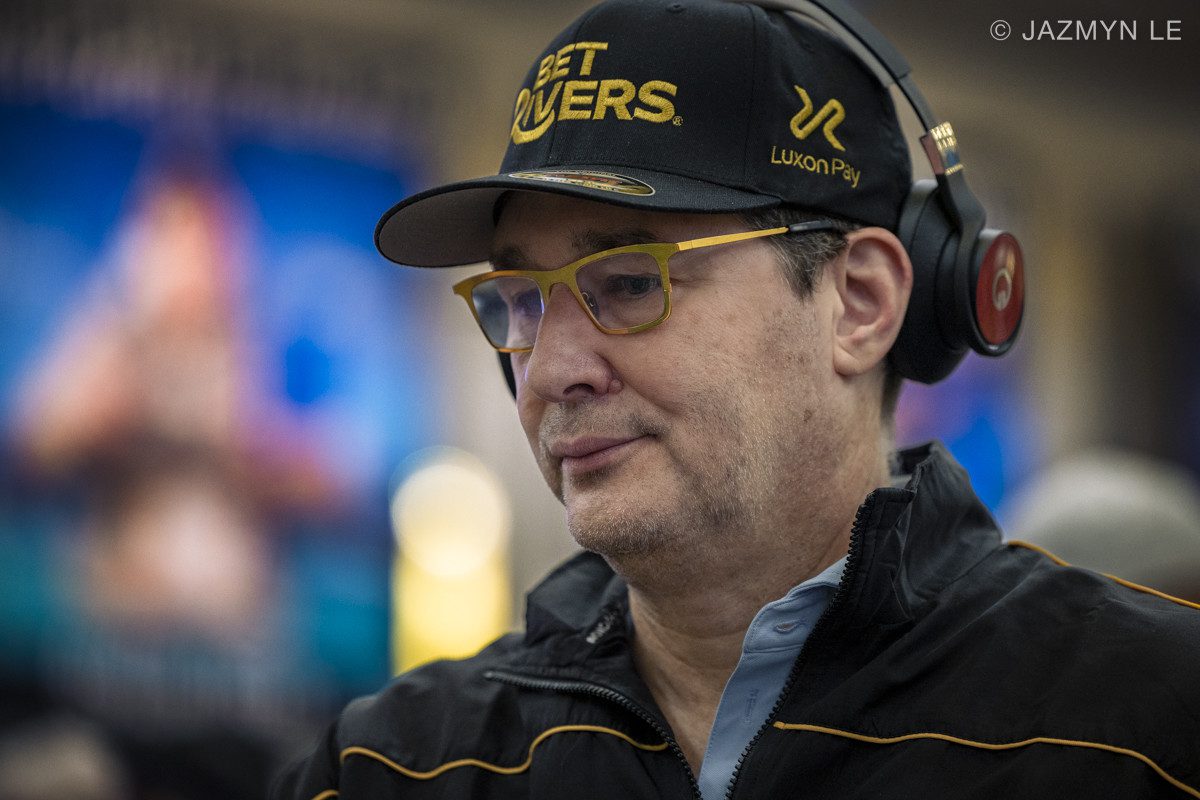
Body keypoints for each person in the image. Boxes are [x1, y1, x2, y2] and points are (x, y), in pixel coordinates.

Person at [274, 1, 1200, 797]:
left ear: (861, 303)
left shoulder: (1145, 728)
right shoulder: (391, 767)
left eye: (629, 283)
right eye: (520, 300)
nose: (550, 373)